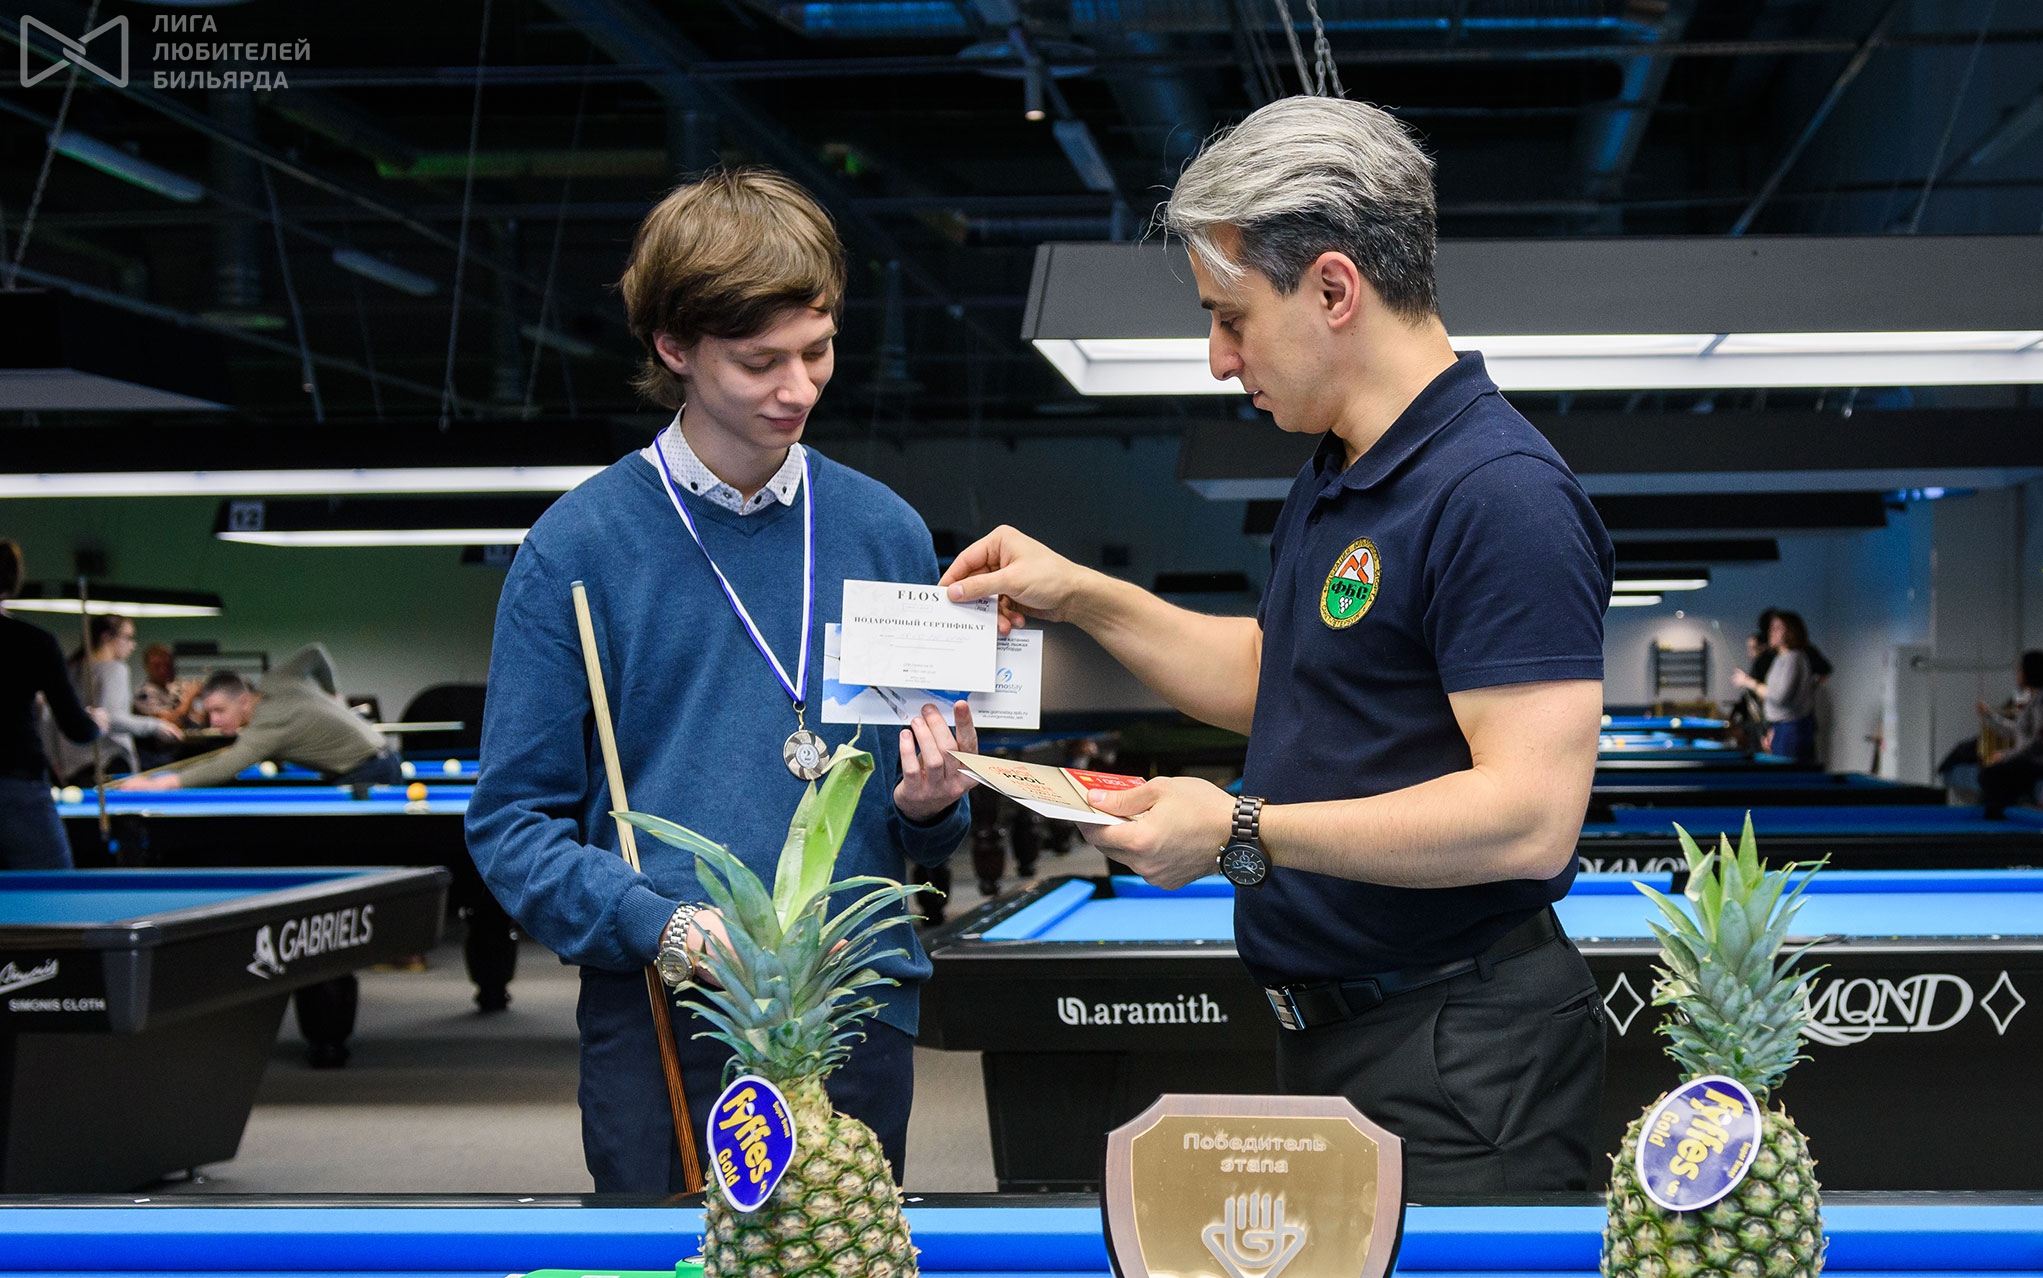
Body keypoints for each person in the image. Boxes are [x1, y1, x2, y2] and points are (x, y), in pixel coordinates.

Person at [940, 99, 1614, 1196]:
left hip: (1461, 1053)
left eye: (1232, 319)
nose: (1218, 360)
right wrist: (1083, 596)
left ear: (1334, 290)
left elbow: (1530, 821)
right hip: (1338, 1031)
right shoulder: (1339, 471)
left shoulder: (1502, 495)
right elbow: (1281, 681)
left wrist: (1239, 829)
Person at [465, 166, 977, 1195]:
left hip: (856, 1009)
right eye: (759, 362)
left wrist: (931, 807)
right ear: (674, 348)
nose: (800, 388)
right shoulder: (575, 550)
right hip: (669, 1011)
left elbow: (925, 836)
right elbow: (511, 827)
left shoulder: (886, 531)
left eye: (817, 349)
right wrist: (657, 923)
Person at [115, 644, 393, 790]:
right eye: (209, 712)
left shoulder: (265, 728)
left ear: (244, 701)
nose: (214, 721)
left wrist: (159, 784)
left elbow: (224, 768)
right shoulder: (277, 678)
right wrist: (334, 694)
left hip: (370, 770)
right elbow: (315, 653)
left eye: (220, 710)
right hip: (375, 759)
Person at [0, 540, 105, 869]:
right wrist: (97, 724)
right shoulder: (33, 641)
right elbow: (76, 728)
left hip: (17, 785)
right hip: (16, 785)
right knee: (53, 887)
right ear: (11, 581)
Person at [50, 614, 181, 784]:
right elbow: (113, 719)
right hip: (108, 765)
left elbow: (48, 718)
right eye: (128, 637)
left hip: (72, 770)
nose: (133, 644)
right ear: (106, 637)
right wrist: (157, 726)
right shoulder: (115, 669)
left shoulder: (69, 668)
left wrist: (55, 762)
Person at [1971, 650, 2043, 816]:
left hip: (2042, 763)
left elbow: (2038, 742)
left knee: (1989, 776)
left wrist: (2007, 755)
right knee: (1989, 779)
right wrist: (1989, 716)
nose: (2017, 674)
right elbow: (2019, 732)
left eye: (2020, 669)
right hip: (2031, 761)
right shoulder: (2038, 699)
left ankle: (2002, 818)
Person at [1731, 611, 1818, 764]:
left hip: (1791, 731)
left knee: (1789, 777)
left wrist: (1748, 682)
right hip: (1781, 729)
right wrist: (1773, 730)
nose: (1772, 632)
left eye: (1777, 627)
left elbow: (1779, 696)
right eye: (1771, 627)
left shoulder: (1793, 658)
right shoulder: (1781, 658)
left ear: (1791, 632)